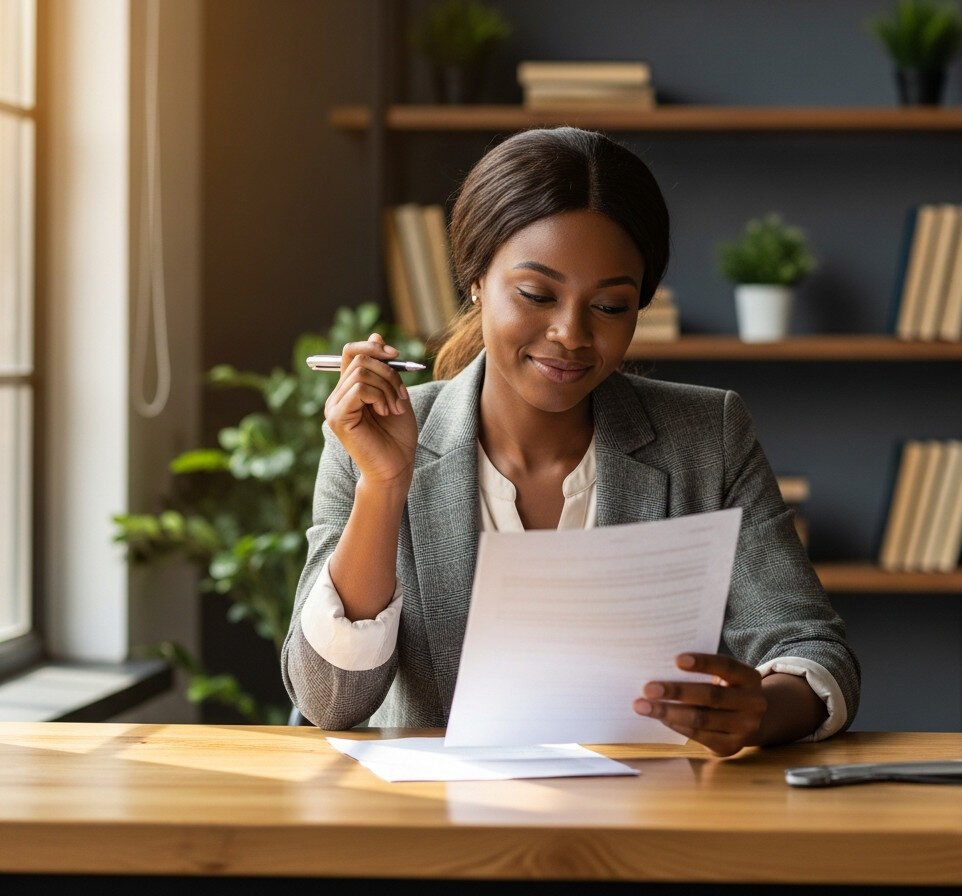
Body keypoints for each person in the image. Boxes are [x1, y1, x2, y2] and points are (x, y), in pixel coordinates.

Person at [282, 126, 860, 756]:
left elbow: (810, 647)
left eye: (611, 306)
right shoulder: (375, 441)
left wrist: (763, 711)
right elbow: (331, 702)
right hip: (437, 830)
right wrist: (386, 485)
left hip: (642, 825)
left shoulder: (707, 436)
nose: (571, 334)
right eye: (536, 295)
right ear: (475, 280)